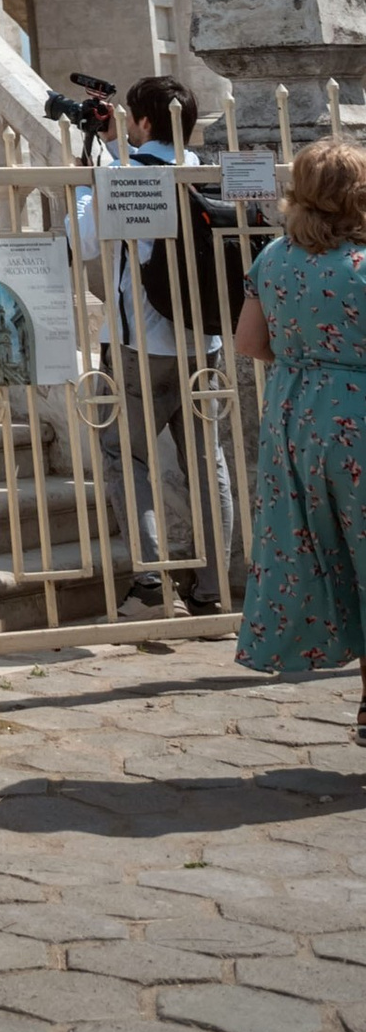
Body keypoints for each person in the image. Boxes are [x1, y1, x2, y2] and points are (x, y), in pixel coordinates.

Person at [79, 72, 234, 617]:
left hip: (140, 342)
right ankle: (214, 588)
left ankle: (150, 584)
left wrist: (88, 180)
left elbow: (83, 241)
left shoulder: (124, 174)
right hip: (205, 341)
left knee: (128, 456)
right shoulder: (208, 173)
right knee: (207, 461)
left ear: (144, 121)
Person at [232, 135, 366, 735]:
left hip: (297, 418)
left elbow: (248, 343)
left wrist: (307, 361)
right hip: (360, 413)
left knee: (324, 554)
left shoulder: (274, 258)